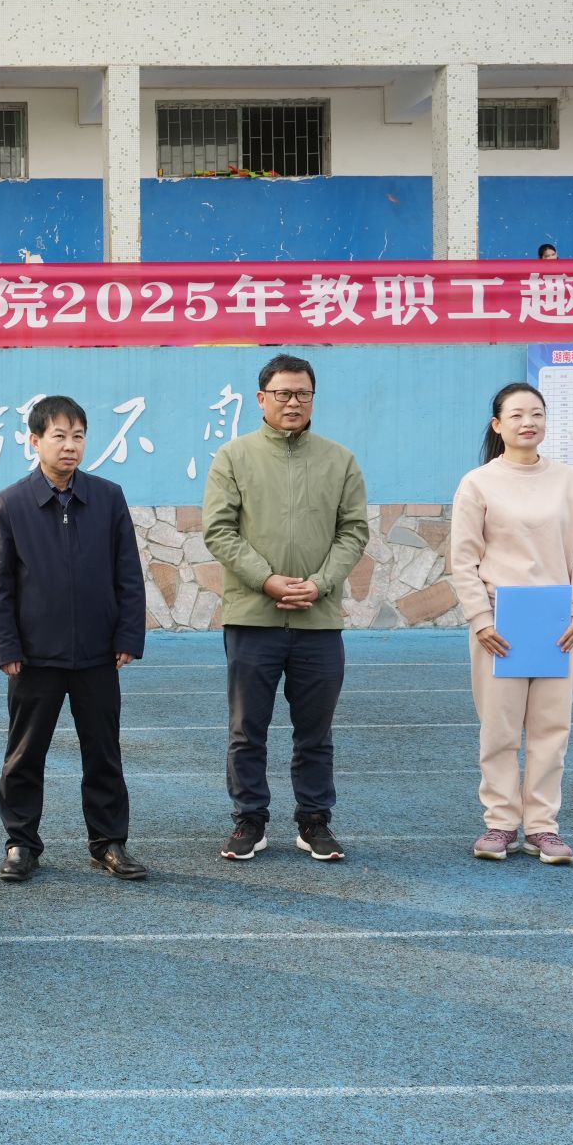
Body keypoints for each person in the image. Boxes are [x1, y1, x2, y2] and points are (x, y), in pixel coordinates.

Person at [202, 353, 368, 864]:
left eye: (302, 394)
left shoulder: (340, 460)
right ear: (261, 399)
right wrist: (267, 579)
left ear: (313, 399)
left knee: (315, 732)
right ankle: (249, 820)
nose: (293, 402)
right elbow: (219, 530)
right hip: (253, 617)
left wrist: (319, 584)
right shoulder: (234, 457)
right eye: (283, 394)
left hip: (318, 619)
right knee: (246, 729)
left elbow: (353, 531)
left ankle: (314, 821)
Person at [0, 395, 148, 883]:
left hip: (98, 653)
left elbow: (128, 573)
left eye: (78, 436)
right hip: (34, 658)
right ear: (35, 441)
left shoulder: (108, 497)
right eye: (59, 436)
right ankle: (21, 843)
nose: (70, 445)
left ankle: (109, 842)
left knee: (104, 752)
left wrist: (128, 635)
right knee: (24, 755)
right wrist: (5, 647)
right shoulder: (12, 502)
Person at [448, 383, 573, 865]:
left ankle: (542, 827)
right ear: (498, 425)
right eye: (516, 415)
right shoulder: (478, 483)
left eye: (536, 413)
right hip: (500, 624)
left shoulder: (570, 482)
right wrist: (480, 619)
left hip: (558, 625)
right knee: (500, 729)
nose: (527, 422)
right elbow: (463, 559)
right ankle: (500, 823)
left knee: (552, 729)